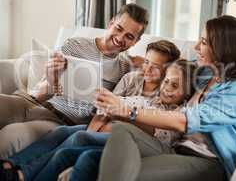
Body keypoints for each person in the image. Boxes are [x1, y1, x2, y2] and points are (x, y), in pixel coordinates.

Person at [96, 15, 236, 181]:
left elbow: (184, 121)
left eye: (203, 42)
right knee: (120, 130)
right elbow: (175, 66)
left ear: (223, 48)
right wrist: (137, 60)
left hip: (209, 161)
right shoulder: (205, 75)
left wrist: (127, 110)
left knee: (131, 174)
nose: (196, 47)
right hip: (176, 148)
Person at [0, 59, 196, 181]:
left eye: (175, 85)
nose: (167, 88)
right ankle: (10, 165)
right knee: (61, 132)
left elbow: (154, 133)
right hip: (106, 127)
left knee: (75, 142)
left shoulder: (176, 114)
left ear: (187, 93)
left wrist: (119, 113)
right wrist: (103, 109)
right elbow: (113, 106)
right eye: (167, 82)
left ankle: (22, 174)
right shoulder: (147, 99)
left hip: (126, 140)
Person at [0, 3, 149, 158]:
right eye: (118, 28)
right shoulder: (75, 45)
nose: (120, 38)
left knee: (8, 138)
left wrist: (147, 62)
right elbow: (40, 95)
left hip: (60, 121)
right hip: (34, 103)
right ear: (111, 23)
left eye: (129, 36)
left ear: (136, 42)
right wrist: (52, 80)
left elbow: (170, 65)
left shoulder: (125, 68)